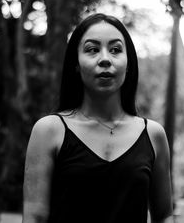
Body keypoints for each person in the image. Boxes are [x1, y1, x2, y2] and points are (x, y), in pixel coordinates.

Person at [22, 13, 173, 223]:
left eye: (116, 50)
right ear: (76, 63)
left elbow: (164, 216)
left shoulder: (153, 135)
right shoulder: (49, 131)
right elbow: (34, 218)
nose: (105, 59)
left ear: (128, 64)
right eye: (92, 50)